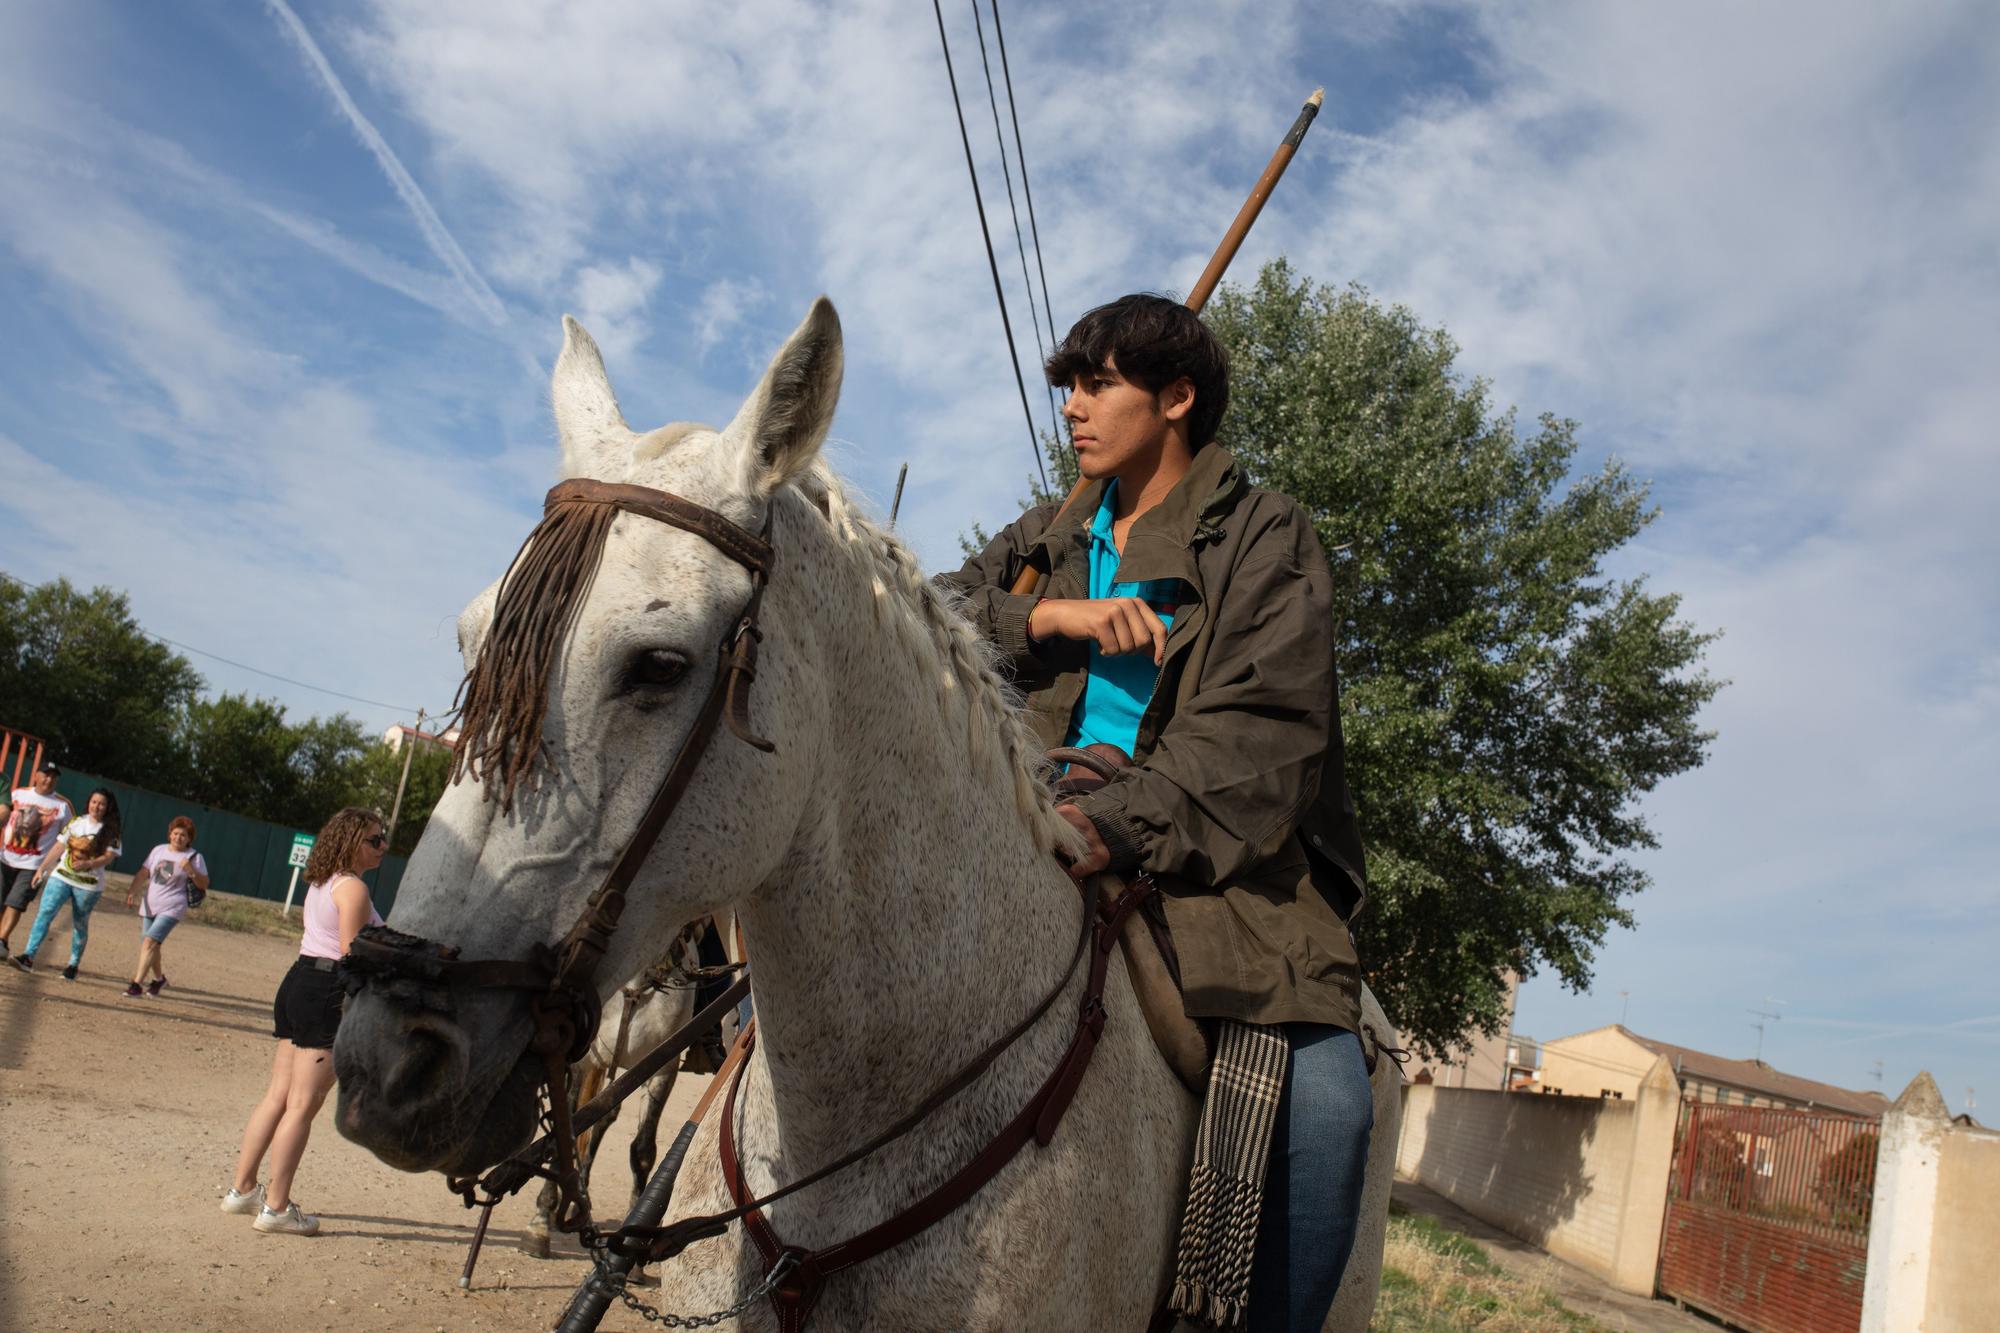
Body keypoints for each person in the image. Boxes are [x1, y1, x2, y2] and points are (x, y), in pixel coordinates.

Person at [942, 294, 1374, 1331]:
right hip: (1017, 815)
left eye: (1097, 385)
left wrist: (1103, 822)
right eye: (1069, 389)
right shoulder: (1039, 540)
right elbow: (919, 623)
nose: (1073, 411)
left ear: (1175, 398)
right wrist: (1046, 616)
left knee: (1326, 1109)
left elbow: (1260, 739)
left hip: (1212, 867)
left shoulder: (1267, 534)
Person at [221, 807, 385, 1236]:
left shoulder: (322, 882)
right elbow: (353, 956)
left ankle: (242, 1190)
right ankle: (275, 1207)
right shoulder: (353, 890)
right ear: (351, 842)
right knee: (302, 1106)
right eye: (375, 839)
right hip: (328, 990)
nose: (383, 847)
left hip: (299, 981)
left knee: (277, 1095)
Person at [12, 787, 122, 980]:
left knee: (80, 923)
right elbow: (59, 846)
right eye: (94, 801)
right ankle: (28, 956)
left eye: (102, 803)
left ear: (108, 807)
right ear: (89, 803)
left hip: (88, 884)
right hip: (62, 875)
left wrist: (89, 863)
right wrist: (42, 868)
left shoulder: (111, 831)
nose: (97, 806)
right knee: (45, 913)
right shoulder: (76, 823)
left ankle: (73, 965)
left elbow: (108, 857)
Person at [123, 815, 210, 997]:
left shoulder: (194, 857)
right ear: (170, 834)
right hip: (151, 903)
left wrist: (191, 871)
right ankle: (159, 979)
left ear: (189, 839)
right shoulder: (158, 850)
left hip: (173, 906)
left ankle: (136, 984)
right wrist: (132, 891)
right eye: (176, 833)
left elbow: (204, 884)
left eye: (183, 835)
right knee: (151, 945)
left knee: (150, 941)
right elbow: (144, 872)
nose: (179, 838)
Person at [0, 760, 74, 958]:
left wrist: (54, 865)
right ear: (36, 775)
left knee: (16, 902)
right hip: (5, 858)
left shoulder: (62, 806)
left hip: (34, 864)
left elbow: (69, 836)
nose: (48, 779)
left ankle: (1, 939)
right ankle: (3, 942)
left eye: (53, 776)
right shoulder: (17, 794)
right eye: (45, 774)